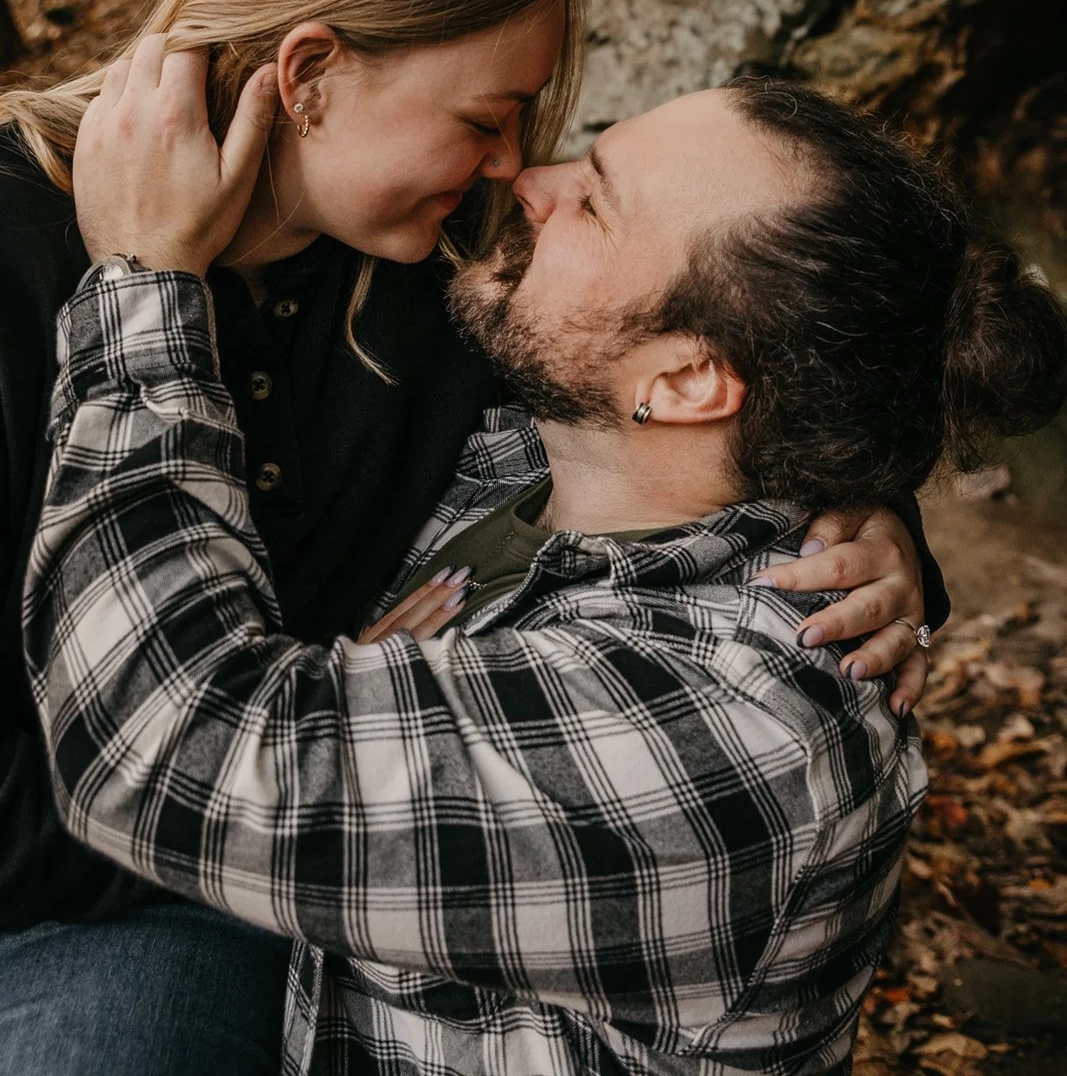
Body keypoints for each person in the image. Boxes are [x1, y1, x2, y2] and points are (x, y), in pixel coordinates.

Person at [0, 0, 929, 1074]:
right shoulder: (23, 256)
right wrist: (143, 282)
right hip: (113, 865)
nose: (517, 169)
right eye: (490, 117)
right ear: (309, 71)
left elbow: (717, 374)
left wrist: (866, 518)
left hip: (263, 845)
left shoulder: (437, 274)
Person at [30, 72, 1065, 1074]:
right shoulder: (543, 468)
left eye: (596, 202)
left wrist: (143, 276)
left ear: (686, 378)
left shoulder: (734, 725)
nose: (529, 180)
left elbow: (165, 744)